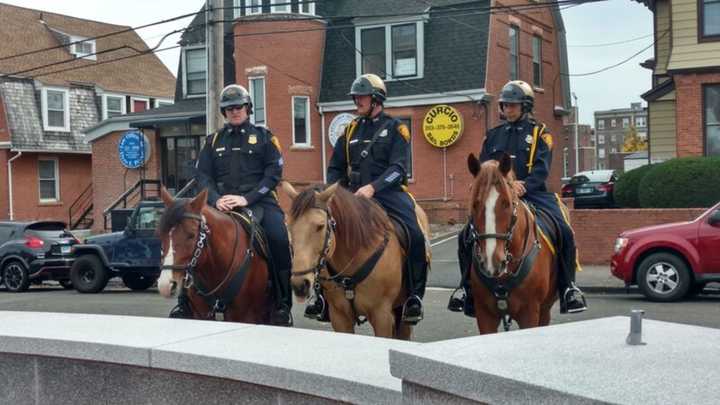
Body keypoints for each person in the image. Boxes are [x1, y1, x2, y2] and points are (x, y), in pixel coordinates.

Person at [448, 80, 587, 316]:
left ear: (525, 106)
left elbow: (543, 168)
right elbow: (484, 168)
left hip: (533, 194)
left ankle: (568, 288)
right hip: (499, 197)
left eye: (513, 105)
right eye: (505, 105)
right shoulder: (492, 136)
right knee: (465, 235)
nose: (508, 110)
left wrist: (524, 186)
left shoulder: (540, 133)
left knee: (563, 230)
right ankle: (466, 288)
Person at [304, 73, 428, 324]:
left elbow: (398, 168)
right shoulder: (349, 131)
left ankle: (414, 297)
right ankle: (323, 298)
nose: (356, 101)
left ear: (376, 99)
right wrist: (336, 192)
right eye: (355, 97)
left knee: (414, 234)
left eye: (361, 97)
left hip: (389, 194)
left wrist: (374, 187)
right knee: (324, 234)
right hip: (354, 197)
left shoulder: (396, 129)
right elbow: (335, 168)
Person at [169, 84, 293, 326]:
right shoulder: (213, 141)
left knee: (278, 237)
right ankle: (185, 301)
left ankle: (282, 303)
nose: (234, 111)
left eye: (239, 107)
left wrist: (247, 198)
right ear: (224, 112)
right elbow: (202, 176)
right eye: (229, 108)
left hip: (259, 201)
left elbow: (273, 174)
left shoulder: (266, 137)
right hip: (221, 204)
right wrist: (216, 199)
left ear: (247, 109)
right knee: (191, 237)